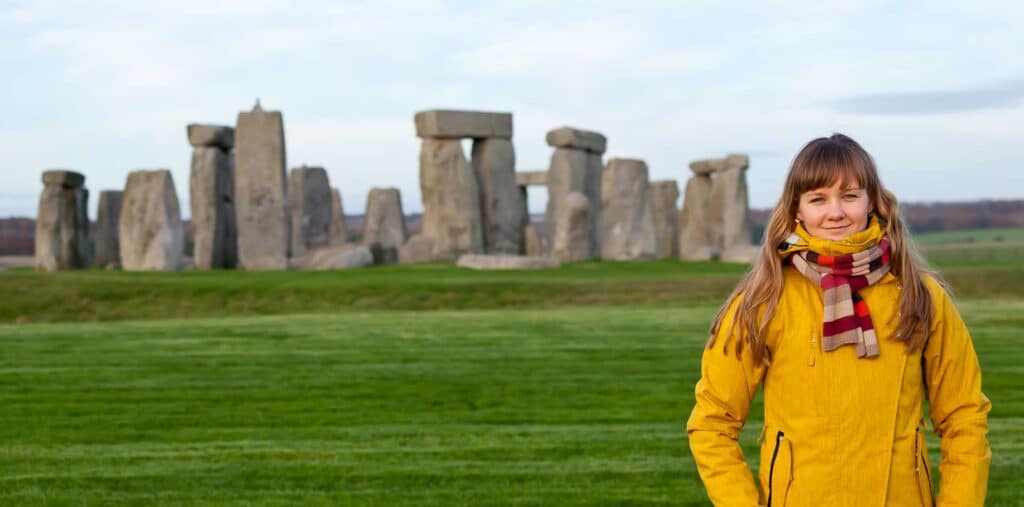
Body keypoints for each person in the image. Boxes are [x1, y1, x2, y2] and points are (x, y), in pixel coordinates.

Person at [686, 134, 990, 506]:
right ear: (797, 209)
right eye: (818, 199)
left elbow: (965, 417)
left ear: (872, 201)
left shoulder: (920, 294)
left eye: (849, 195)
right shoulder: (761, 301)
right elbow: (712, 423)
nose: (835, 212)